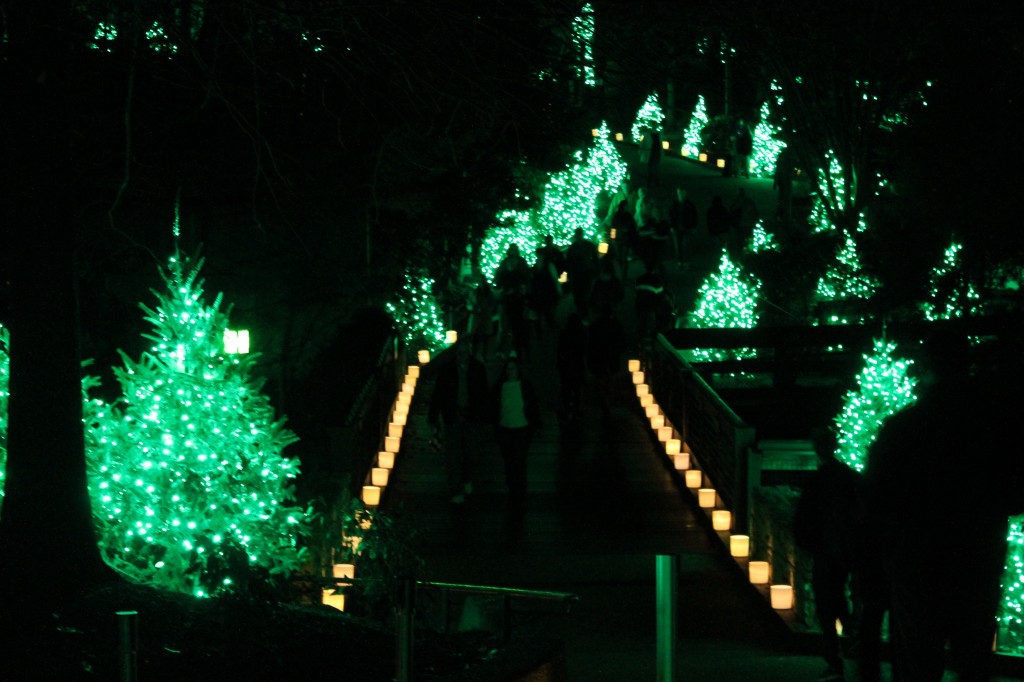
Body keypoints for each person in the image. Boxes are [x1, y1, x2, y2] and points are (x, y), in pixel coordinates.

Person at [865, 332, 1024, 681]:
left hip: (918, 563)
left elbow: (876, 499)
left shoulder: (903, 429)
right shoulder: (994, 427)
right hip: (976, 563)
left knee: (917, 664)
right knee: (973, 662)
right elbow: (1015, 494)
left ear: (926, 368)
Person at [794, 427, 868, 682]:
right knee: (843, 602)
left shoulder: (817, 482)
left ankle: (836, 658)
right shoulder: (850, 478)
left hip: (827, 551)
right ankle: (852, 652)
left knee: (828, 604)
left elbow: (804, 519)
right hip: (848, 552)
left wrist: (809, 543)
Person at [428, 340, 489, 504]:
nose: (462, 354)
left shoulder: (477, 368)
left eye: (465, 350)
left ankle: (466, 479)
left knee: (470, 451)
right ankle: (457, 489)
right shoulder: (448, 369)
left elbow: (484, 393)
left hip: (472, 414)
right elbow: (439, 392)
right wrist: (433, 416)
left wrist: (485, 415)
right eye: (460, 351)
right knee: (454, 453)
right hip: (453, 414)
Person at [490, 353, 542, 513]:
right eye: (508, 368)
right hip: (505, 428)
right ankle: (513, 489)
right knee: (509, 461)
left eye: (513, 368)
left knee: (519, 461)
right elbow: (492, 406)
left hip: (522, 428)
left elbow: (532, 405)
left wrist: (535, 424)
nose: (510, 371)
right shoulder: (500, 387)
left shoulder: (524, 386)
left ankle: (518, 492)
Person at [585, 301, 627, 413]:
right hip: (612, 355)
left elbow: (590, 343)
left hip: (599, 356)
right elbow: (623, 342)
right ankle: (609, 399)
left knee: (600, 379)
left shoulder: (594, 326)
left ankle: (604, 401)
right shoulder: (616, 325)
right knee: (611, 378)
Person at [494, 244, 531, 361]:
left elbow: (526, 279)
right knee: (505, 326)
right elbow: (498, 279)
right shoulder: (505, 264)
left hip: (518, 300)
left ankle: (518, 350)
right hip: (507, 300)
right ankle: (503, 350)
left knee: (518, 327)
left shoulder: (521, 264)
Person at [556, 312, 587, 419]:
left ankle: (566, 407)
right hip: (577, 364)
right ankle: (577, 409)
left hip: (565, 365)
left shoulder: (564, 334)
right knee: (577, 387)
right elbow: (584, 350)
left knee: (566, 387)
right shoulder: (581, 334)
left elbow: (560, 351)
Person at [564, 227, 599, 320]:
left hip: (585, 273)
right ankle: (583, 312)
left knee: (584, 293)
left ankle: (584, 312)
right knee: (580, 294)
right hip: (579, 273)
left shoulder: (576, 247)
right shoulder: (575, 247)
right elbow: (568, 263)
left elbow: (595, 259)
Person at [774, 146, 796, 221]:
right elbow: (779, 171)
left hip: (783, 180)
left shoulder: (783, 160)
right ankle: (783, 214)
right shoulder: (787, 160)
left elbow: (778, 171)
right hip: (785, 180)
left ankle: (781, 213)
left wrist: (776, 181)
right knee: (784, 197)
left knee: (783, 197)